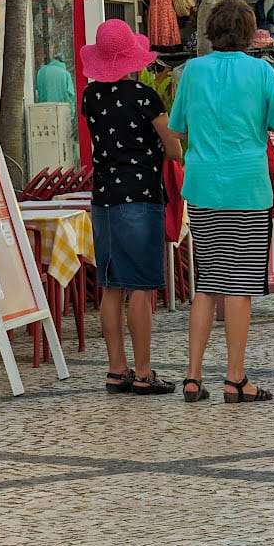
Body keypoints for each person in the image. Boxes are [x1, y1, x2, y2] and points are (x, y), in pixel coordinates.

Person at [168, 0, 274, 404]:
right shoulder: (262, 71)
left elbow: (177, 128)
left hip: (204, 187)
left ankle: (192, 377)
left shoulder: (192, 71)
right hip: (248, 188)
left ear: (210, 30)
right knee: (239, 287)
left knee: (206, 285)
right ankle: (235, 378)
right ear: (248, 34)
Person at [80, 20, 182, 396]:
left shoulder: (90, 97)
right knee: (140, 288)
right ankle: (142, 371)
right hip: (139, 198)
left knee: (111, 286)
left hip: (103, 198)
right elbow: (172, 147)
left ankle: (115, 369)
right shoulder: (144, 97)